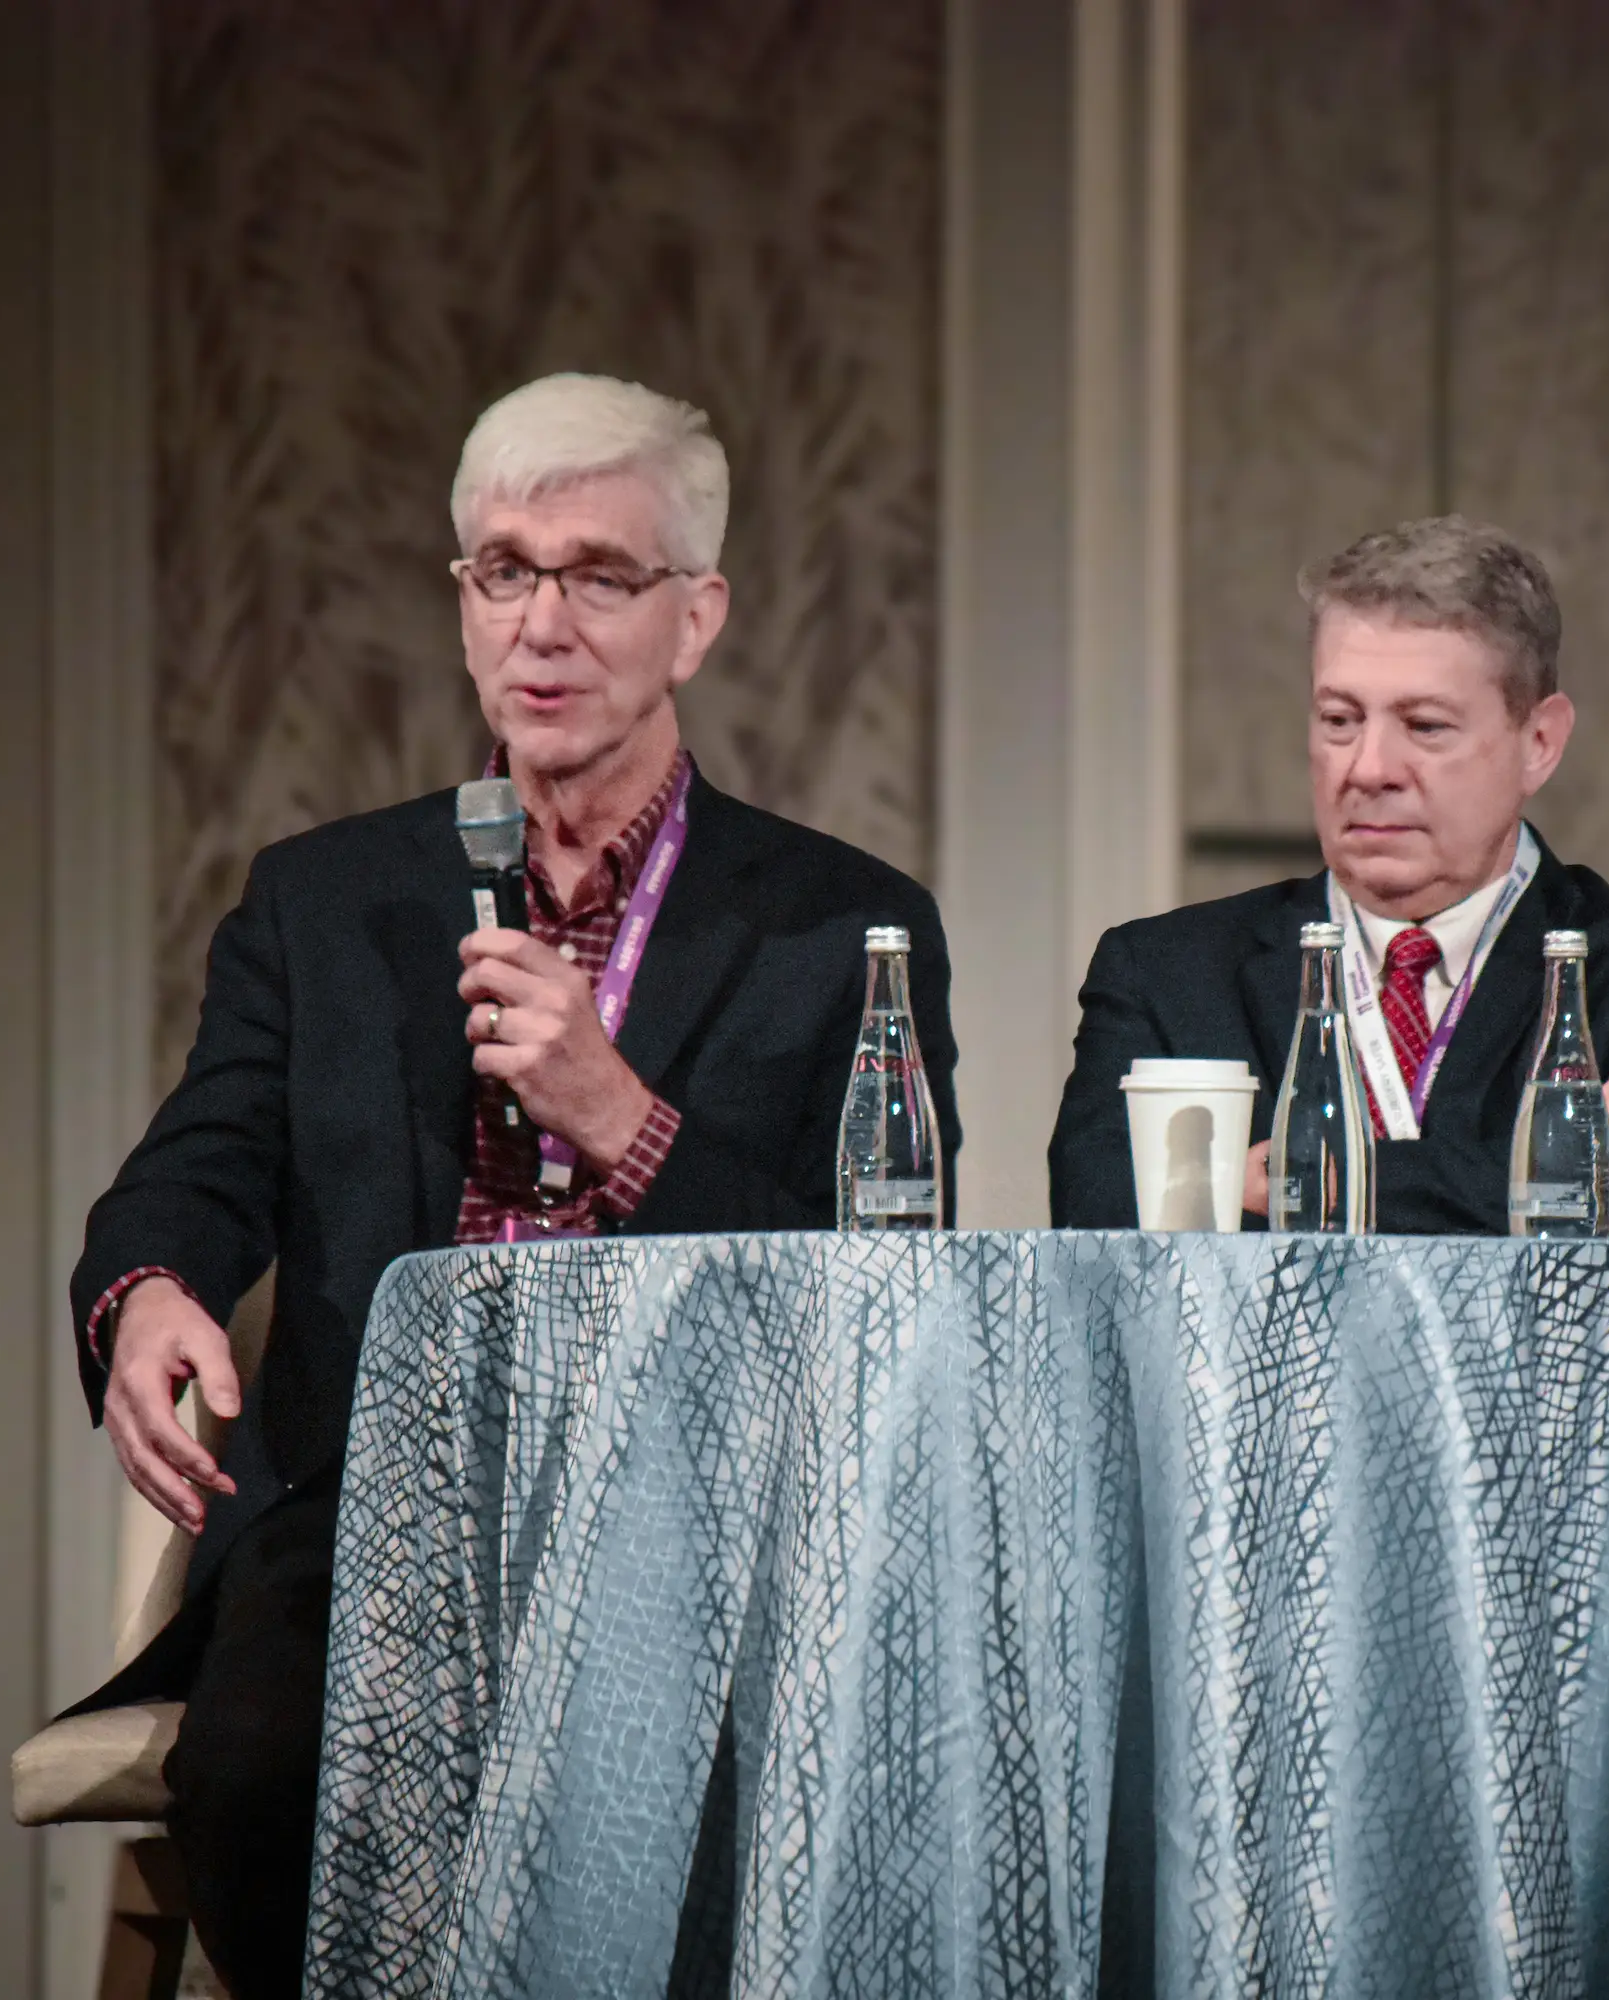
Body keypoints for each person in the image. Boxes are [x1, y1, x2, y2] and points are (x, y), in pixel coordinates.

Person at [64, 373, 963, 1999]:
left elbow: (884, 1288)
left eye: (599, 576)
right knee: (263, 1784)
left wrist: (621, 1116)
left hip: (704, 1525)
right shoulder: (324, 901)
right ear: (465, 604)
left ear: (696, 618)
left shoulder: (845, 927)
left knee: (767, 1821)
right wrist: (147, 1297)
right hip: (376, 1520)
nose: (543, 623)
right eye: (504, 569)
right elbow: (201, 1159)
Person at [1048, 515, 1609, 1235]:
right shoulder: (1166, 973)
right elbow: (1098, 1230)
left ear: (1539, 742)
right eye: (1339, 720)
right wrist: (1536, 1170)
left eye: (1424, 726)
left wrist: (1287, 1178)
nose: (1369, 768)